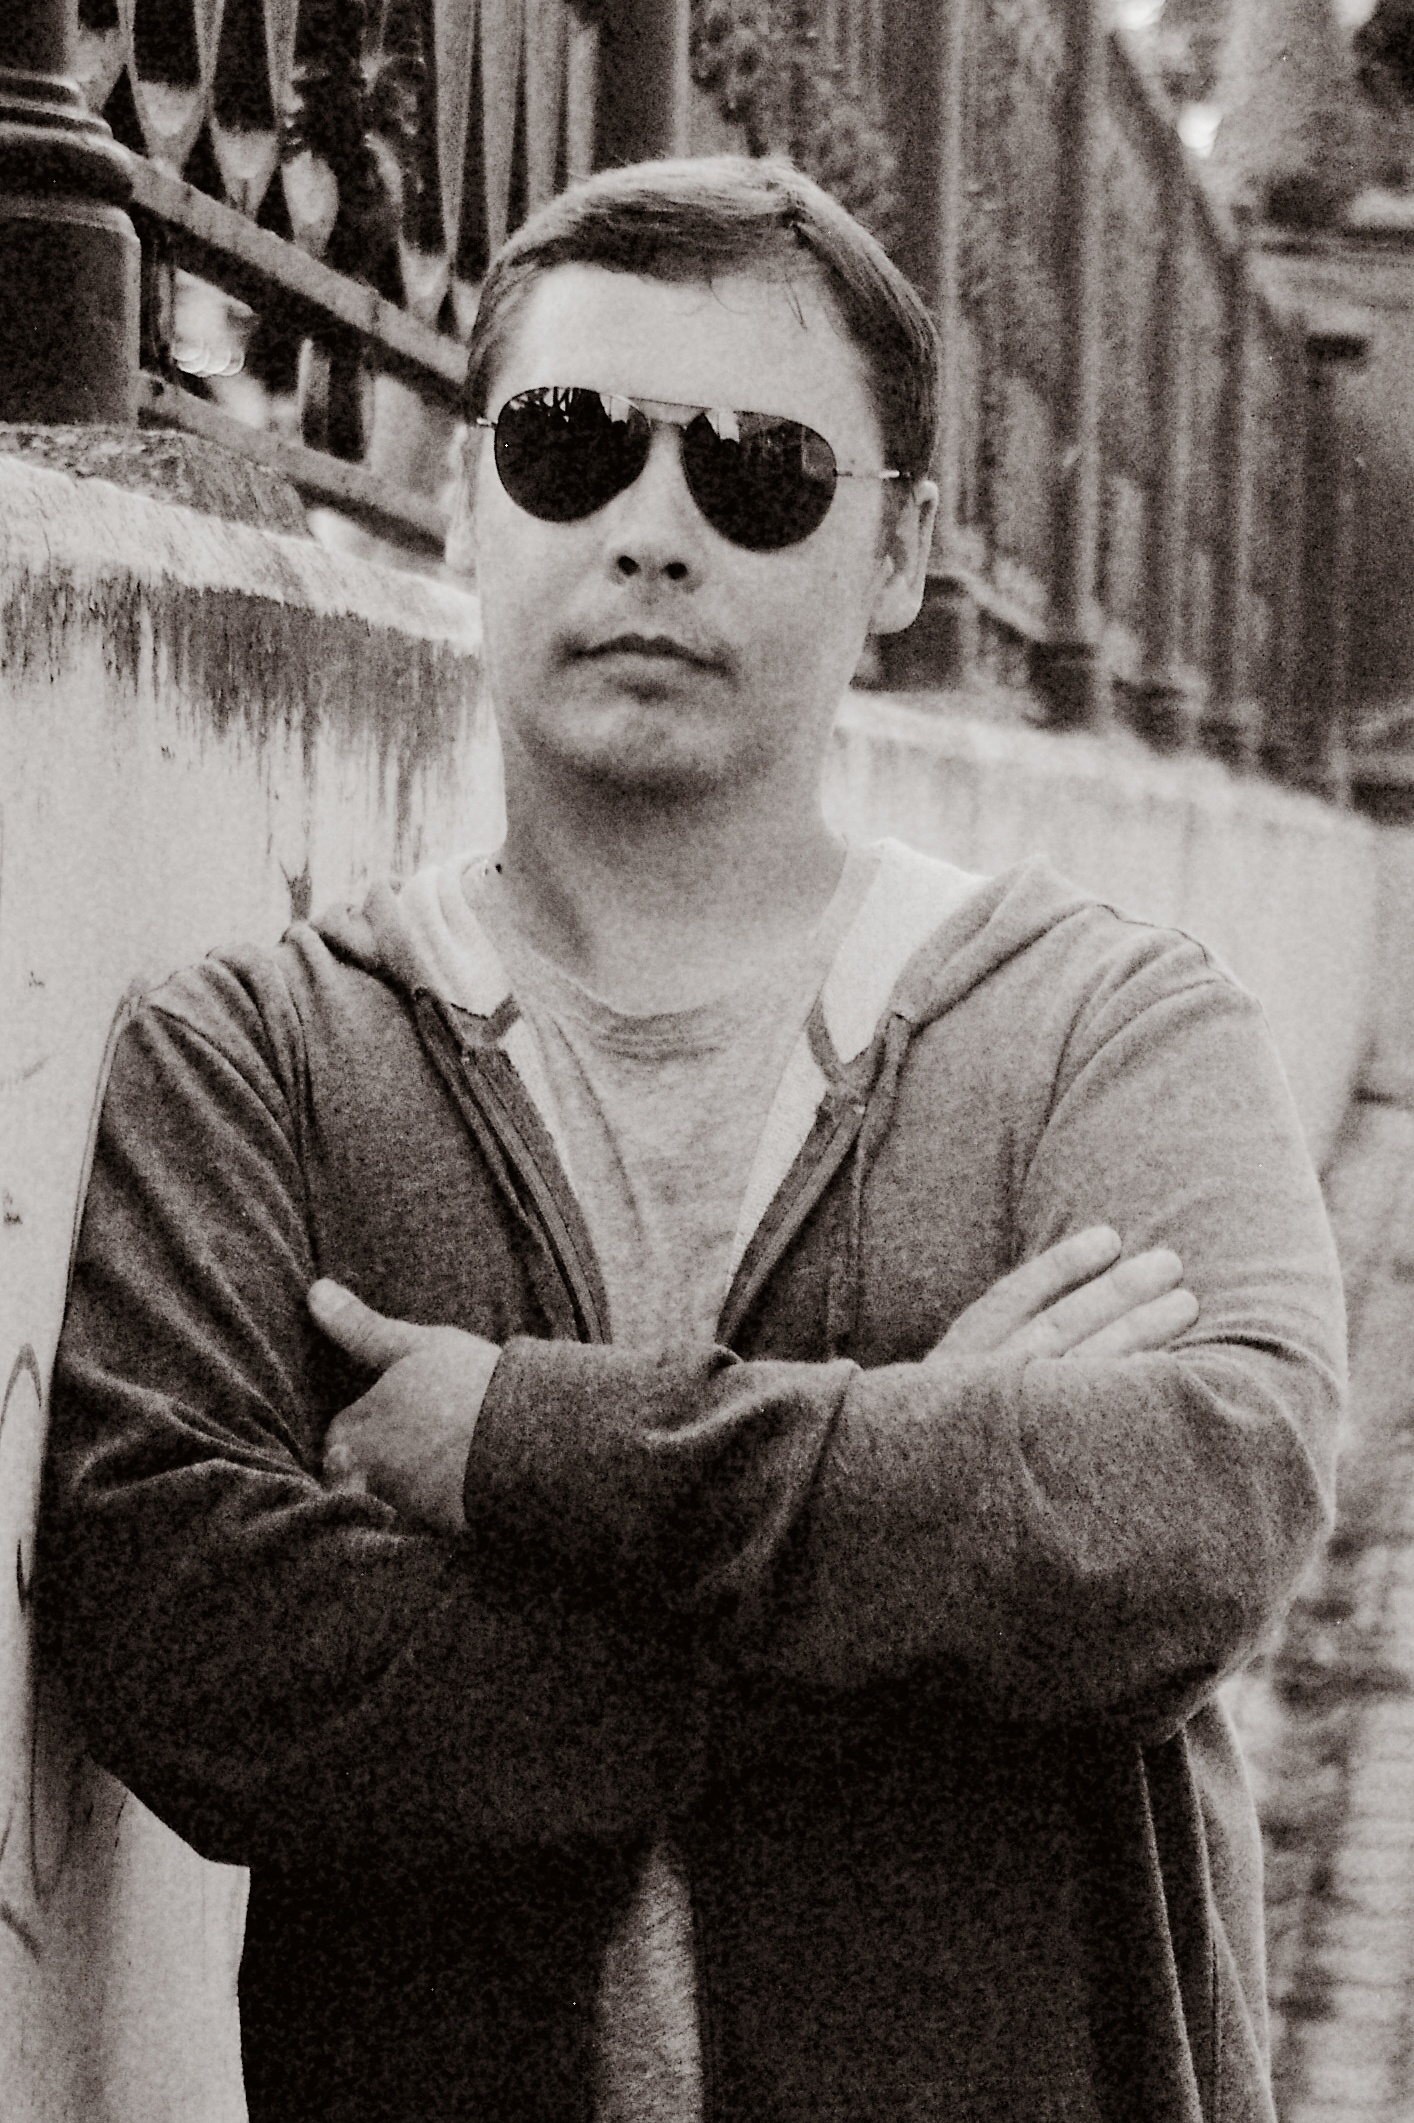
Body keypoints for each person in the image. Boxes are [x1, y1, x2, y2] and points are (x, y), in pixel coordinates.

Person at [40, 156, 1344, 2123]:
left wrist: (518, 1444)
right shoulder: (261, 1059)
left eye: (760, 474)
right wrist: (925, 1512)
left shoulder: (1096, 1023)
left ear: (900, 552)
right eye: (570, 447)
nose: (651, 533)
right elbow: (196, 1638)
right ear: (466, 494)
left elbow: (1200, 1507)